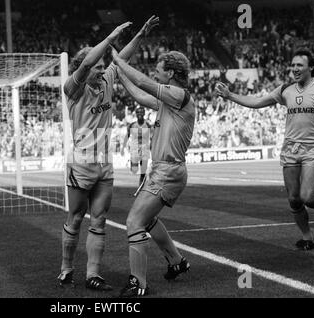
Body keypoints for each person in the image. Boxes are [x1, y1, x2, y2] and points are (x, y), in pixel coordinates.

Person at [59, 16, 159, 291]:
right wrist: (110, 37)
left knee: (99, 220)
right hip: (81, 163)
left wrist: (139, 35)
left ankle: (93, 274)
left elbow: (121, 60)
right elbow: (90, 61)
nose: (102, 71)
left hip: (104, 163)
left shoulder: (105, 80)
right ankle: (67, 267)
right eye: (97, 67)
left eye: (104, 67)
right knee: (76, 218)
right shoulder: (73, 88)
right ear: (83, 68)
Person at [215, 49, 314, 250]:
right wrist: (230, 95)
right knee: (294, 199)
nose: (295, 69)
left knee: (308, 197)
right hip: (290, 149)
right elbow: (257, 102)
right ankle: (307, 238)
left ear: (311, 67)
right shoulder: (286, 89)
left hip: (312, 149)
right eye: (293, 65)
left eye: (300, 65)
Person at [111, 48, 194, 297]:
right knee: (145, 220)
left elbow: (142, 82)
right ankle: (176, 261)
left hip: (168, 171)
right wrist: (118, 73)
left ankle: (139, 283)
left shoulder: (178, 94)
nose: (154, 73)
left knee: (134, 222)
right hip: (163, 169)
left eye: (158, 69)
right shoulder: (169, 99)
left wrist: (118, 61)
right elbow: (138, 93)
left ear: (170, 73)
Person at [121, 107, 152, 187]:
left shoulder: (148, 125)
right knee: (134, 170)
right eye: (138, 112)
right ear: (136, 114)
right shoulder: (132, 125)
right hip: (135, 149)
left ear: (144, 114)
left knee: (143, 171)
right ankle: (132, 163)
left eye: (141, 112)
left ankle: (141, 187)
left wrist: (153, 146)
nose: (140, 114)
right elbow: (127, 136)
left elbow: (153, 137)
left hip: (144, 149)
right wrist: (122, 147)